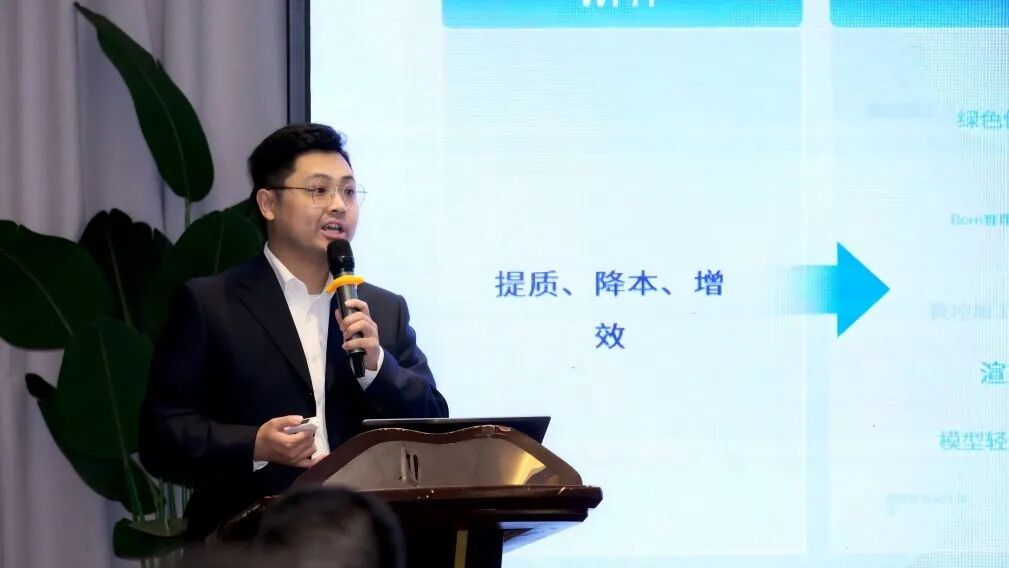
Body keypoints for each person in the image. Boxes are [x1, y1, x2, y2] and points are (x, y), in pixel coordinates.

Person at [139, 123, 448, 538]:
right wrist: (255, 444)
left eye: (348, 191)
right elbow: (161, 437)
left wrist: (378, 368)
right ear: (268, 203)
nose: (338, 205)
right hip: (249, 544)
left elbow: (434, 424)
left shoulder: (383, 310)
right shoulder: (211, 304)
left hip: (364, 542)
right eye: (319, 190)